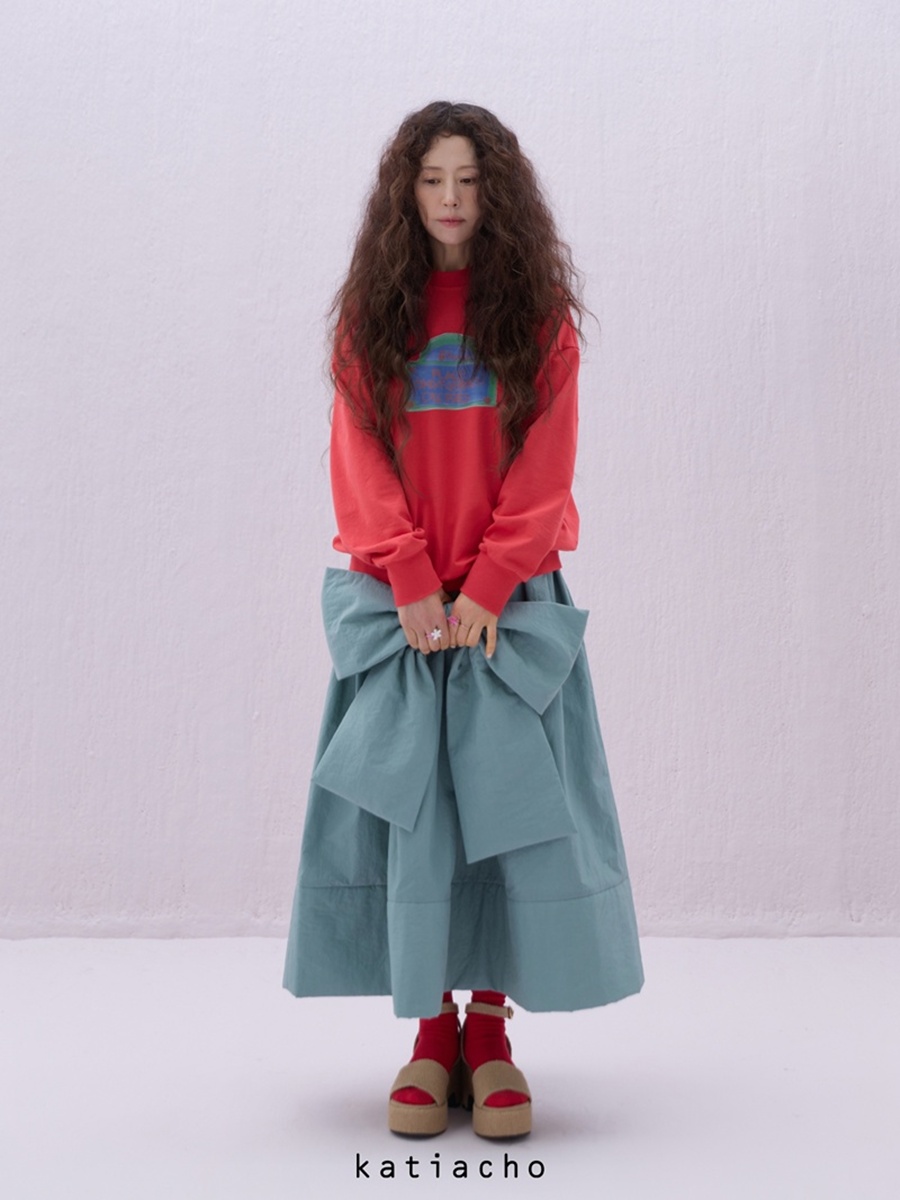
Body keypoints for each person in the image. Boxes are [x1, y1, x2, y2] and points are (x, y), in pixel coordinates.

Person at [283, 101, 644, 1139]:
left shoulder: (537, 318)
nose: (451, 199)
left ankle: (490, 1032)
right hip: (404, 616)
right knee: (418, 827)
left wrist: (487, 585)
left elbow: (547, 465)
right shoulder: (372, 317)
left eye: (470, 181)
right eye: (433, 179)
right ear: (407, 192)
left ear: (498, 194)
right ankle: (430, 1030)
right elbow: (358, 454)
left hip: (505, 614)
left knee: (510, 824)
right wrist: (409, 577)